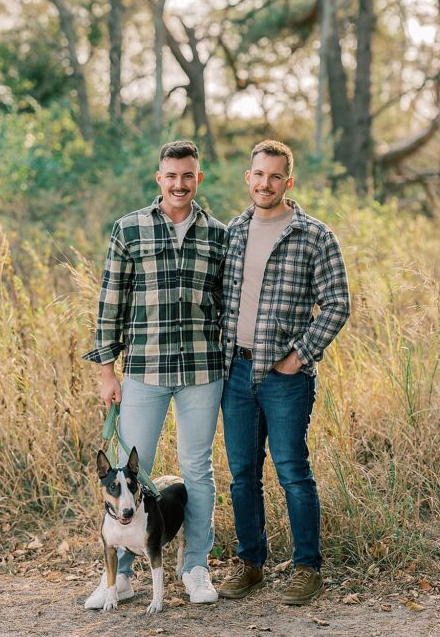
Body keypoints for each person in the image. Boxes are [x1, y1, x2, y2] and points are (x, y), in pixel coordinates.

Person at [83, 140, 226, 608]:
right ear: (158, 178)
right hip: (143, 369)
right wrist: (107, 372)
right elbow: (111, 304)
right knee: (133, 472)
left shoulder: (220, 235)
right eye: (171, 176)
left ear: (198, 179)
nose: (179, 184)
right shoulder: (129, 229)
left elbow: (227, 305)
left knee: (197, 469)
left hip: (203, 370)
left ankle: (196, 567)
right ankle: (119, 576)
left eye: (188, 176)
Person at [217, 140, 350, 604]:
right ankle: (250, 562)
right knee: (242, 473)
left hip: (285, 377)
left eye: (275, 176)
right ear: (247, 178)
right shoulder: (233, 232)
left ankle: (306, 568)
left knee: (292, 470)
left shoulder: (314, 235)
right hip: (236, 372)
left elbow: (337, 304)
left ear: (288, 182)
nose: (264, 183)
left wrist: (299, 354)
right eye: (258, 175)